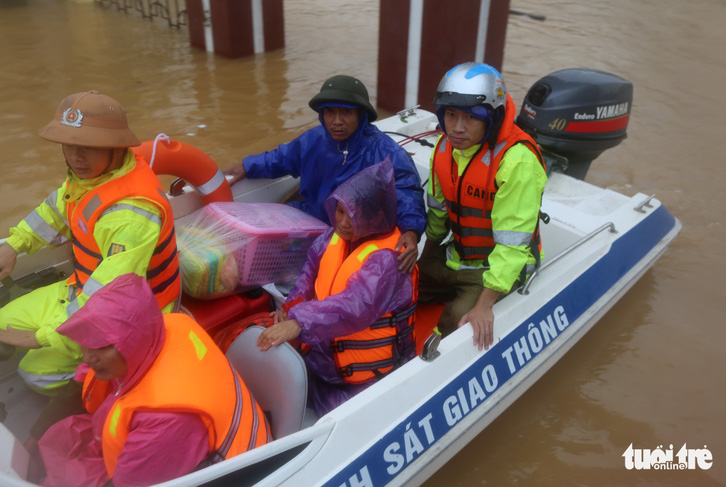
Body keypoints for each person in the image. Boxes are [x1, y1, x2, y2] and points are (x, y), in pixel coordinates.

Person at [0, 91, 181, 395]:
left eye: (88, 147)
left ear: (116, 148)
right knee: (3, 324)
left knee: (33, 373)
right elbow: (54, 210)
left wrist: (43, 337)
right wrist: (14, 245)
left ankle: (91, 392)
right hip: (82, 287)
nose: (76, 157)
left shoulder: (131, 215)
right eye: (69, 145)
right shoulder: (86, 178)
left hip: (128, 316)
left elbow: (108, 299)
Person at [37, 273, 271, 487]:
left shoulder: (166, 421)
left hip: (223, 473)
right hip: (166, 440)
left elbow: (129, 483)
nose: (87, 357)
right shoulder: (163, 327)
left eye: (102, 346)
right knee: (57, 439)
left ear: (131, 339)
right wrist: (37, 429)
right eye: (88, 341)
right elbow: (84, 374)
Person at [256, 160, 418, 416]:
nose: (342, 222)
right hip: (323, 355)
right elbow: (309, 275)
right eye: (340, 211)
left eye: (353, 215)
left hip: (366, 378)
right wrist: (290, 308)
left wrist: (298, 323)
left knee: (331, 418)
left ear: (376, 215)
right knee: (269, 378)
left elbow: (356, 306)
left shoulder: (387, 260)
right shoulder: (333, 237)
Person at [224, 74, 427, 272]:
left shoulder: (386, 152)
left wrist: (411, 230)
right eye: (330, 112)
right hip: (311, 213)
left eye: (345, 113)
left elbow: (407, 191)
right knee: (250, 239)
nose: (336, 121)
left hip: (353, 233)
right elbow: (281, 157)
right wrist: (247, 165)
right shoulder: (313, 139)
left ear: (361, 115)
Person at [417, 62, 547, 351]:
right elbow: (438, 213)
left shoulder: (517, 163)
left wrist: (485, 305)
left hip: (498, 269)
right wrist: (425, 263)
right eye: (450, 115)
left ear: (492, 117)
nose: (457, 128)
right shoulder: (443, 149)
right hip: (458, 254)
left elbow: (512, 245)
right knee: (404, 286)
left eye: (470, 118)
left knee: (455, 319)